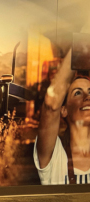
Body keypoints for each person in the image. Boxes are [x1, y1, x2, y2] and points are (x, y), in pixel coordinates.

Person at [35, 51, 90, 184]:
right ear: (64, 110)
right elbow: (50, 106)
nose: (87, 97)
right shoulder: (55, 154)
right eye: (77, 93)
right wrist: (78, 45)